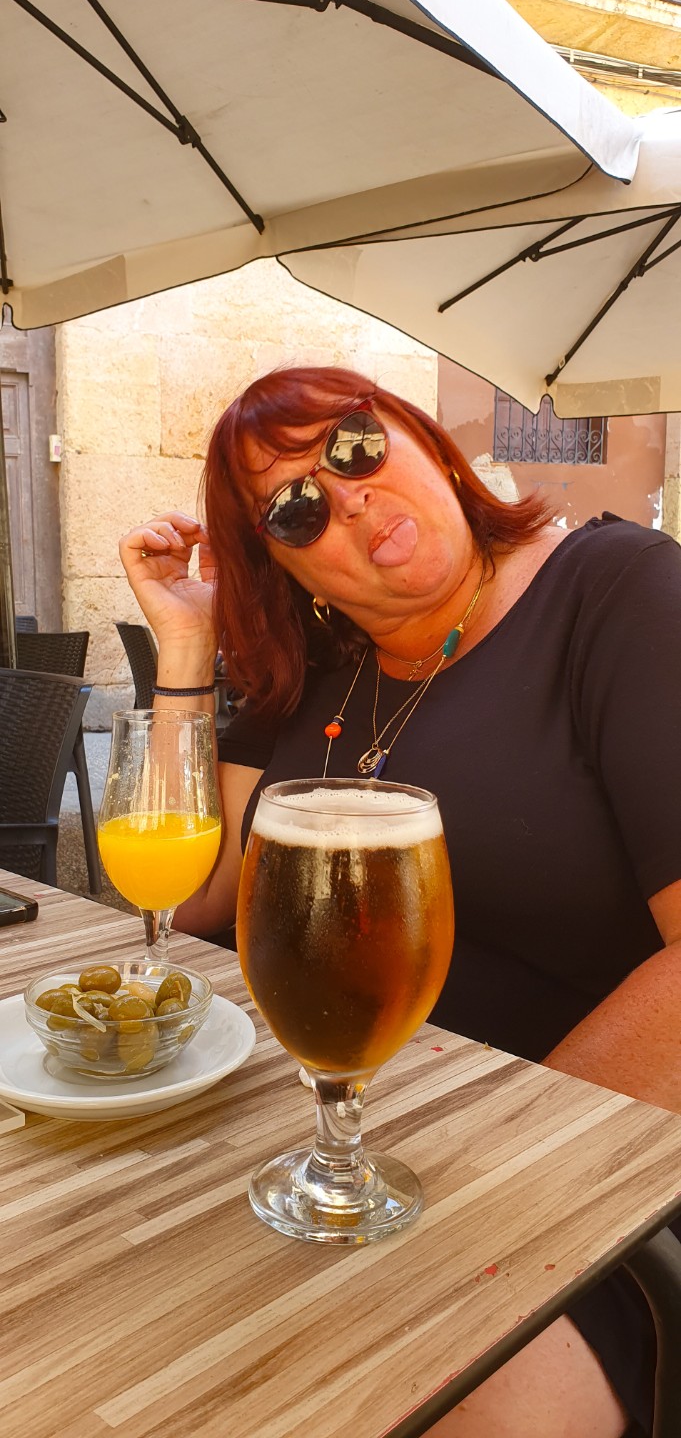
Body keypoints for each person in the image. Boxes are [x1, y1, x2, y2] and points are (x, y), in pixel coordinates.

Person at [119, 365, 681, 1438]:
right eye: (294, 510)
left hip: (584, 1167)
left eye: (354, 445)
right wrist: (188, 646)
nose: (348, 497)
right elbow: (190, 894)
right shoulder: (319, 665)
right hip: (322, 1143)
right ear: (288, 571)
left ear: (424, 439)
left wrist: (485, 1175)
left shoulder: (618, 589)